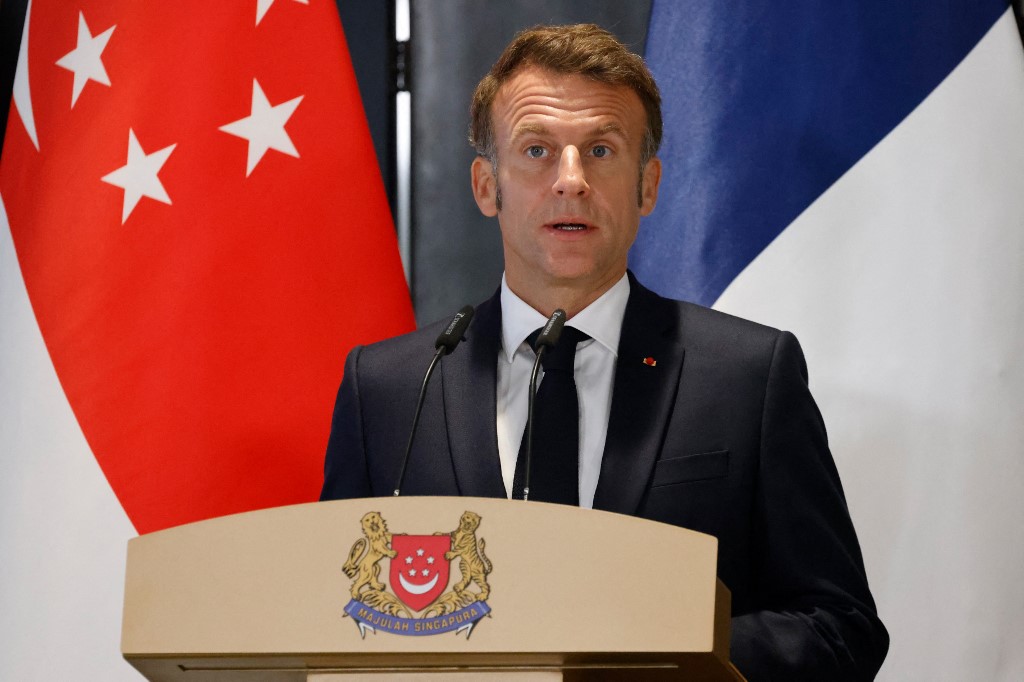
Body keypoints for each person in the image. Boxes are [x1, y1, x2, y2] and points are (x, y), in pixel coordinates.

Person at [321, 24, 888, 680]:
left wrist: (671, 658)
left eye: (600, 150)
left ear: (647, 186)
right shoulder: (392, 388)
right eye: (536, 150)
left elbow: (839, 626)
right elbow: (334, 613)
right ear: (485, 186)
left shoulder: (747, 378)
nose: (571, 181)